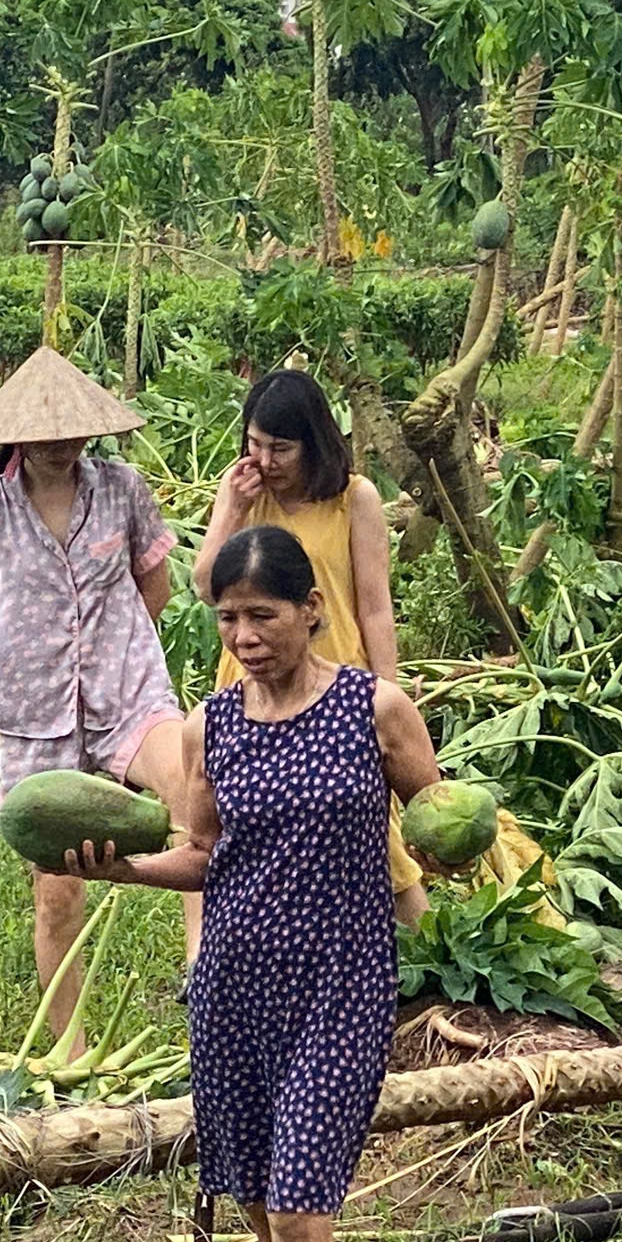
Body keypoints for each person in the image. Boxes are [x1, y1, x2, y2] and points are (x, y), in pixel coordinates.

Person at [70, 524, 448, 1242]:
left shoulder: (375, 709)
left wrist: (456, 845)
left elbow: (441, 817)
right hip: (235, 983)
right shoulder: (211, 727)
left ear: (310, 608)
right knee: (253, 1195)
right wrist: (120, 868)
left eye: (262, 615)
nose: (243, 634)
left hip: (341, 980)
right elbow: (201, 851)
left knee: (298, 1210)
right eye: (229, 618)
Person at [0, 344, 188, 1047]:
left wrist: (113, 645)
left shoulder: (122, 488)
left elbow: (156, 588)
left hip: (128, 688)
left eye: (71, 431)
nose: (59, 445)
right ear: (17, 436)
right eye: (44, 434)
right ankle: (70, 1047)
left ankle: (205, 977)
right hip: (36, 716)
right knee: (58, 892)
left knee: (194, 798)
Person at [191, 368, 427, 930]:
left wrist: (388, 688)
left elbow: (374, 602)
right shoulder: (245, 495)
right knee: (246, 830)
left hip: (338, 677)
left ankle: (424, 951)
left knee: (368, 829)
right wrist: (230, 509)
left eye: (281, 448)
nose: (265, 461)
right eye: (254, 444)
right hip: (255, 680)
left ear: (314, 442)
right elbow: (207, 586)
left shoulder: (355, 498)